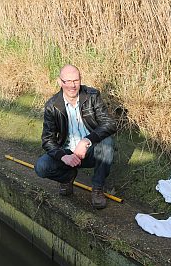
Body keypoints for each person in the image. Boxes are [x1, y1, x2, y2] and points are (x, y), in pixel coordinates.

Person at [34, 64, 117, 209]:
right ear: (60, 82)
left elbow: (109, 124)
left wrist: (87, 140)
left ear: (80, 80)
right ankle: (67, 178)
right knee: (41, 167)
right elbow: (47, 140)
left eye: (76, 81)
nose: (72, 85)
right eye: (67, 81)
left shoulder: (92, 95)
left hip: (89, 151)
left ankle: (97, 188)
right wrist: (63, 156)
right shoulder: (52, 106)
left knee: (107, 143)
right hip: (67, 153)